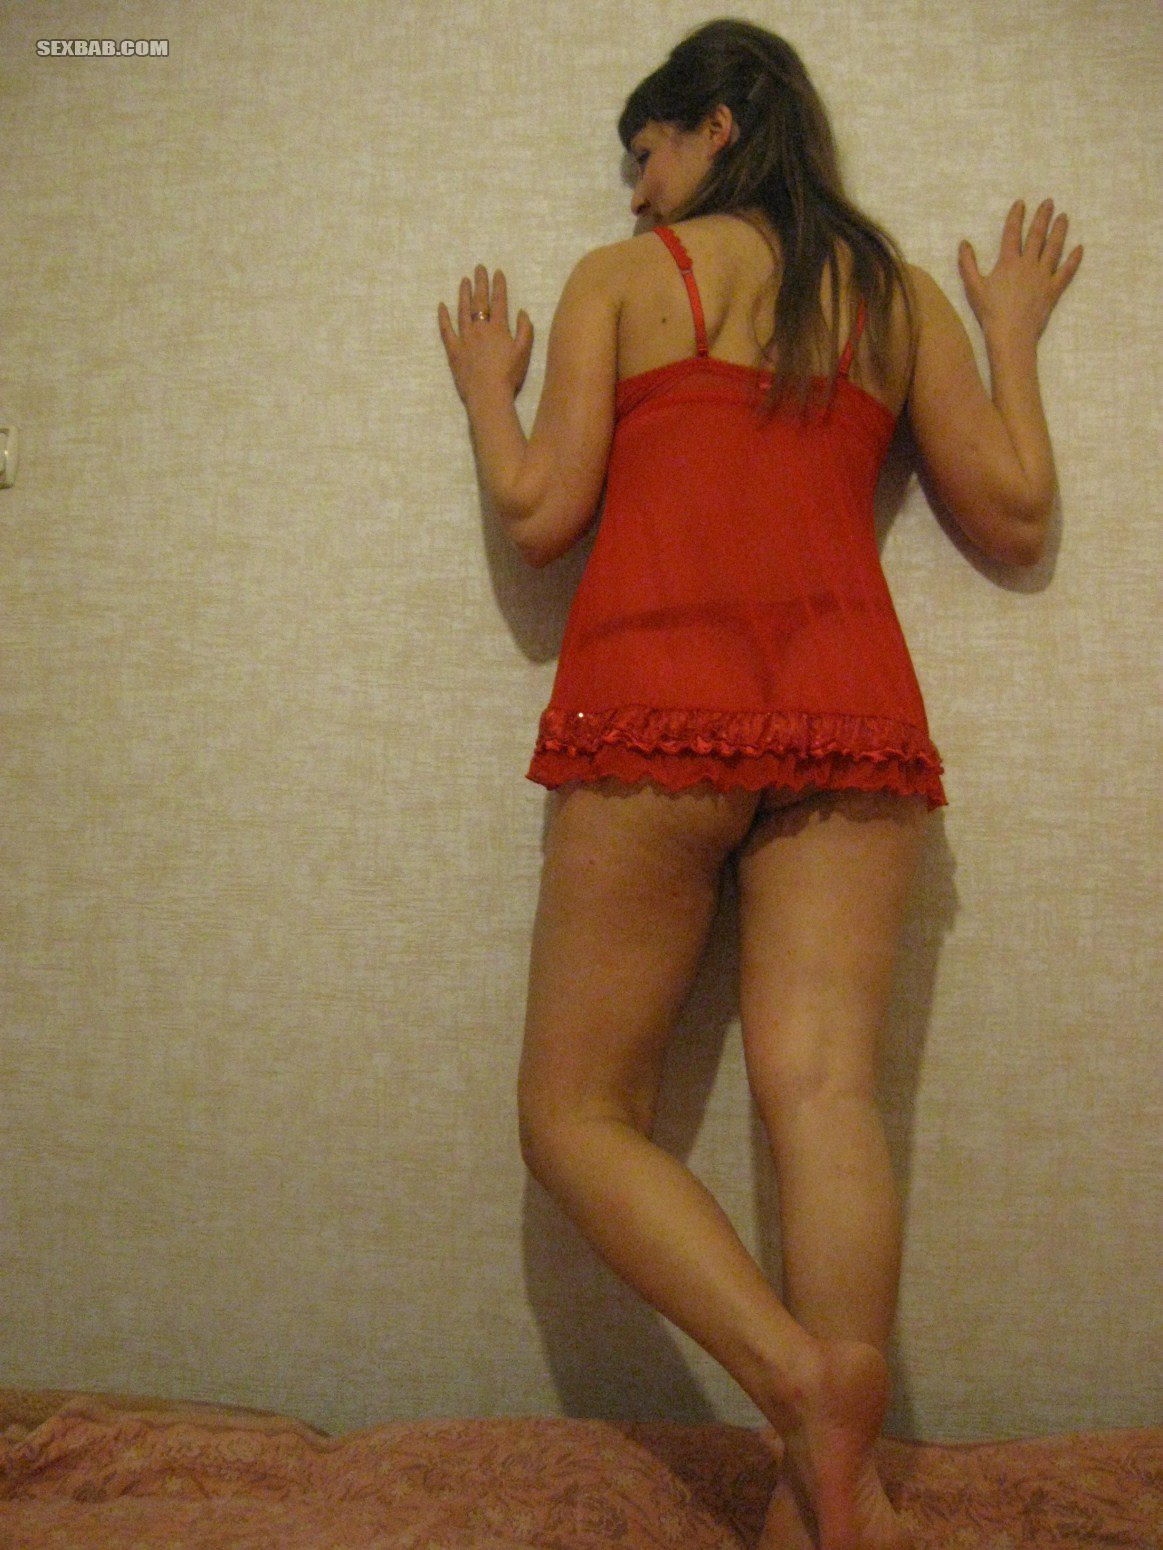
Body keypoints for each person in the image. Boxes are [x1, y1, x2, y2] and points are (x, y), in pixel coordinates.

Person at [438, 20, 1080, 1550]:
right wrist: (1010, 335)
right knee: (830, 1094)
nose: (635, 190)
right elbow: (1014, 510)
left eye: (646, 152)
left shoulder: (622, 281)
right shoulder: (893, 292)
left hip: (658, 698)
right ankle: (830, 1504)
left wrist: (484, 390)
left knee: (574, 1111)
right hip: (849, 708)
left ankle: (798, 1388)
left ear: (717, 124)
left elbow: (539, 512)